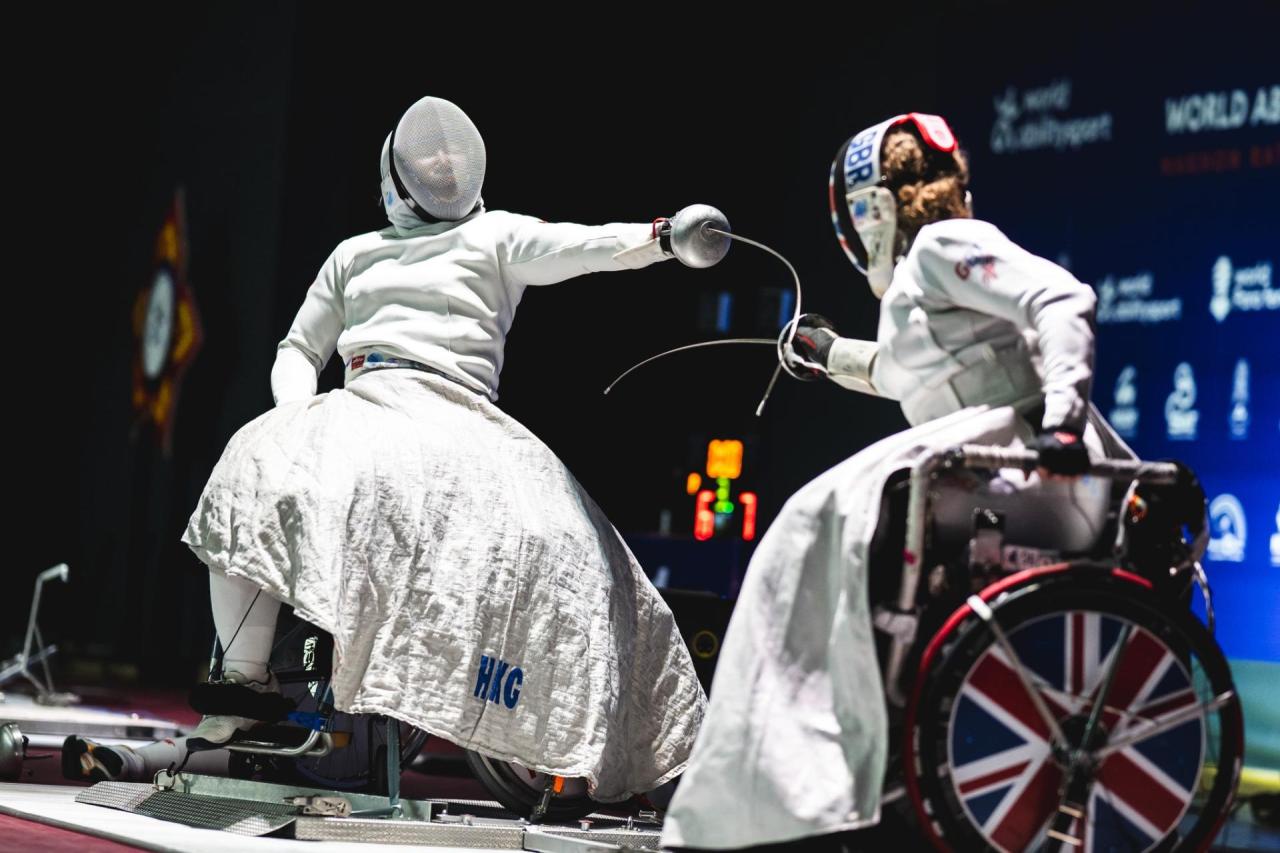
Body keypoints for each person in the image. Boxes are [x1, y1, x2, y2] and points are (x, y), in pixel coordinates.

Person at [64, 96, 714, 804]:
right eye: (428, 162)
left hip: (460, 423)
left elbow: (580, 247)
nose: (440, 168)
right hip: (364, 408)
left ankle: (575, 734)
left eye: (447, 163)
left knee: (563, 549)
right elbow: (298, 349)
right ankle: (243, 689)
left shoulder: (494, 235)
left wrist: (662, 237)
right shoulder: (354, 255)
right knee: (252, 465)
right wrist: (295, 418)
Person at [661, 113, 1134, 850]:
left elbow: (1063, 298)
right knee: (822, 519)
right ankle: (821, 769)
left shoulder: (944, 247)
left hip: (1029, 474)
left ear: (872, 209)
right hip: (985, 477)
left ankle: (800, 780)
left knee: (814, 516)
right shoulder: (922, 279)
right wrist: (825, 353)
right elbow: (902, 371)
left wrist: (1064, 427)